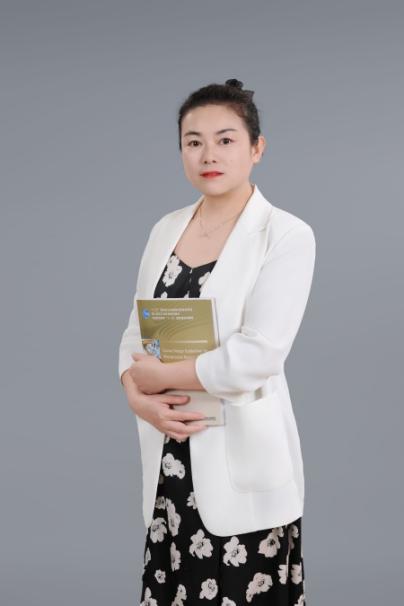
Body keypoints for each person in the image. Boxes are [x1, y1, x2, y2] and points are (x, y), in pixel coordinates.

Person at [119, 78, 315, 605]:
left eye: (226, 140)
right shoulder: (165, 229)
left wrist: (163, 376)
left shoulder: (284, 234)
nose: (209, 154)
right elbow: (137, 330)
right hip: (172, 456)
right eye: (194, 141)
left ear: (257, 148)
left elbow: (258, 355)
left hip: (241, 457)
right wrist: (135, 394)